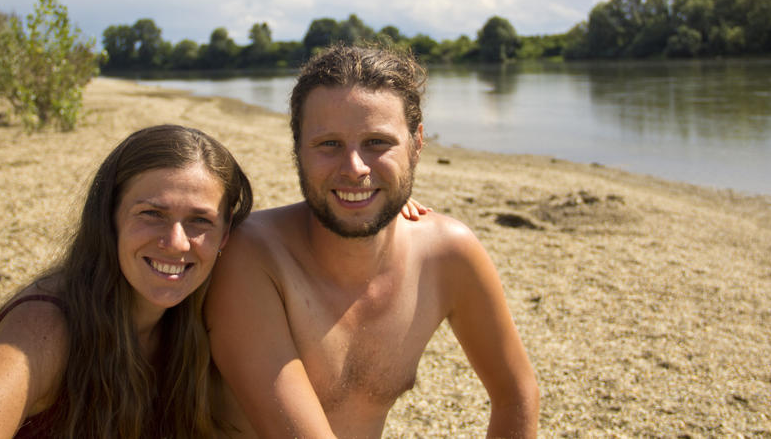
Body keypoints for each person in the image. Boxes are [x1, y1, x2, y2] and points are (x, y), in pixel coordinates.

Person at [206, 44, 540, 438]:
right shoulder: (251, 256)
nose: (355, 168)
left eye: (377, 143)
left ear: (417, 143)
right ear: (297, 149)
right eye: (329, 144)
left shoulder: (447, 254)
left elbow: (516, 393)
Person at [0, 124, 253, 438]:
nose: (177, 242)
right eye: (152, 214)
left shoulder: (207, 316)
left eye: (199, 221)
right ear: (108, 218)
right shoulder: (46, 328)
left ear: (224, 236)